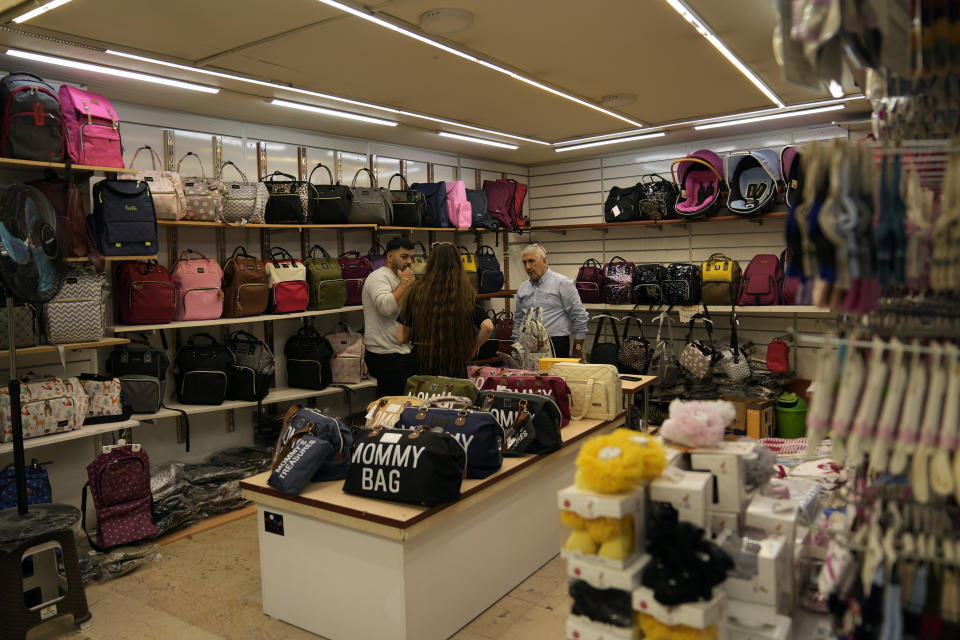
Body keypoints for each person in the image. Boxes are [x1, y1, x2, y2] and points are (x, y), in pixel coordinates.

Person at [397, 243, 494, 378]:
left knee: (421, 399)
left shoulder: (415, 292)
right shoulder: (466, 294)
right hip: (455, 365)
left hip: (421, 365)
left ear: (430, 263)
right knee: (455, 399)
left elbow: (401, 338)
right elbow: (488, 327)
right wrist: (472, 349)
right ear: (458, 265)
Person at [513, 243, 590, 359]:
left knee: (555, 377)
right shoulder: (523, 288)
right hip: (527, 345)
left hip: (556, 344)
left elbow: (580, 316)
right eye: (524, 262)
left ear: (544, 261)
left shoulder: (562, 283)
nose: (527, 266)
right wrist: (515, 347)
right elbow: (519, 320)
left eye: (531, 261)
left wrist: (577, 349)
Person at [362, 236, 417, 396]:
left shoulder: (402, 278)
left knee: (407, 404)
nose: (409, 262)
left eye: (410, 257)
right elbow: (385, 308)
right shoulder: (378, 278)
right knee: (391, 406)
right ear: (390, 256)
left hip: (403, 351)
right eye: (404, 256)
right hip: (383, 354)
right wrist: (405, 284)